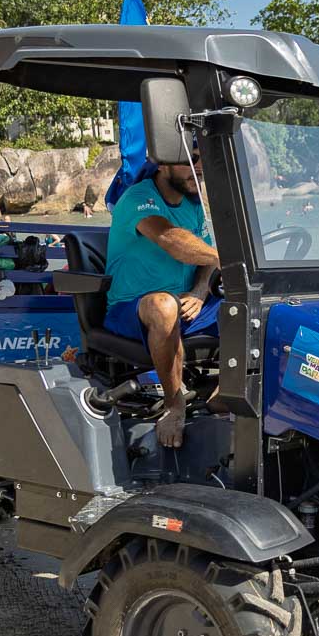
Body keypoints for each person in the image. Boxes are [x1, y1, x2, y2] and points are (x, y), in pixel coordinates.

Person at [104, 148, 220, 448]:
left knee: (260, 308)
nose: (198, 166)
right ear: (163, 161)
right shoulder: (137, 198)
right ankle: (174, 405)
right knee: (164, 305)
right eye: (190, 159)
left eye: (201, 158)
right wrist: (230, 257)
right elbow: (173, 240)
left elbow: (205, 257)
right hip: (132, 308)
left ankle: (230, 395)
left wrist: (199, 291)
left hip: (184, 303)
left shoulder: (193, 206)